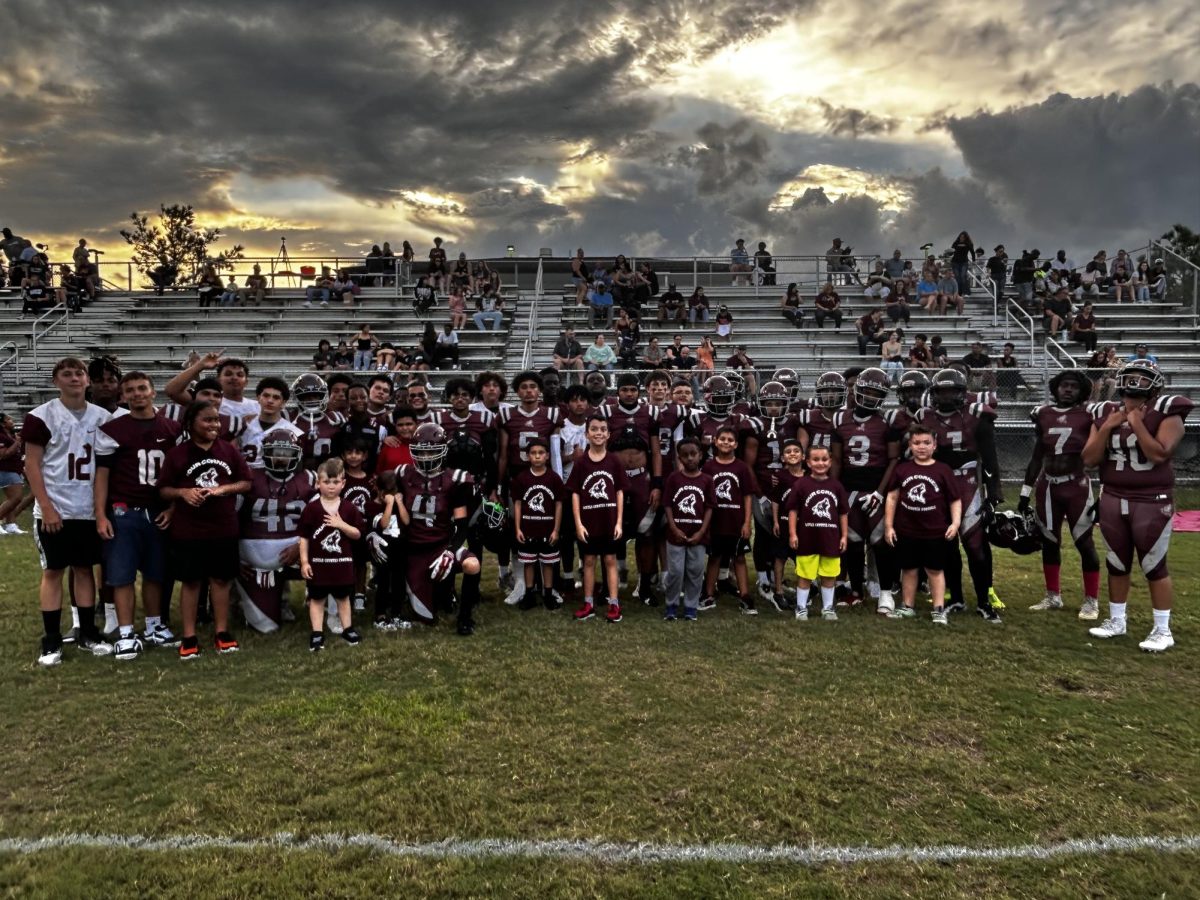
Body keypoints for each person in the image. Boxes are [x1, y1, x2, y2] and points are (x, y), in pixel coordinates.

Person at [1082, 361, 1191, 651]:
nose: (1134, 383)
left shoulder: (1168, 411)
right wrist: (1107, 427)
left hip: (1151, 498)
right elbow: (1090, 459)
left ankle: (1162, 629)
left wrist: (1137, 421)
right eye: (1130, 377)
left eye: (1142, 379)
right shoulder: (1105, 412)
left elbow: (1159, 454)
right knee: (1116, 563)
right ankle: (1117, 620)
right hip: (1113, 495)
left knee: (1154, 565)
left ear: (1155, 385)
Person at [25, 358, 115, 665]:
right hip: (56, 507)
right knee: (52, 571)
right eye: (67, 373)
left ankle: (87, 631)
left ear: (87, 380)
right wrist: (47, 507)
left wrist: (100, 510)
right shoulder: (42, 416)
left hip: (88, 507)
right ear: (56, 381)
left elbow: (103, 467)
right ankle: (50, 639)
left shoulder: (103, 417)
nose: (74, 378)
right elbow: (32, 465)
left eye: (79, 373)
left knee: (84, 568)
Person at [93, 372, 183, 660]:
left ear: (152, 391)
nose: (136, 394)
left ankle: (155, 626)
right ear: (123, 395)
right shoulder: (112, 429)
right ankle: (126, 632)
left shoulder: (172, 428)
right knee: (122, 576)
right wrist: (100, 514)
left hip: (159, 510)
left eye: (141, 388)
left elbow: (180, 474)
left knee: (156, 573)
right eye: (129, 390)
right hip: (125, 510)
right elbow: (102, 475)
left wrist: (173, 508)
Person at [157, 401, 253, 660]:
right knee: (191, 582)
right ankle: (189, 635)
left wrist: (223, 489)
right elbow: (163, 488)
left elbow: (245, 482)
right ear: (190, 423)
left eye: (216, 420)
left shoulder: (228, 451)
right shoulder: (178, 454)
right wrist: (183, 493)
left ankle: (221, 632)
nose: (214, 425)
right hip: (189, 529)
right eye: (207, 420)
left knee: (221, 580)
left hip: (223, 526)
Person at [917, 368, 1004, 621]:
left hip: (967, 485)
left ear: (962, 393)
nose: (945, 397)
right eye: (940, 392)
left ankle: (984, 600)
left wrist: (993, 493)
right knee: (947, 546)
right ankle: (956, 598)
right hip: (938, 486)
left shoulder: (977, 415)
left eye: (951, 391)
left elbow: (990, 457)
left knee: (976, 545)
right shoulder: (925, 416)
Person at [1021, 370, 1101, 619]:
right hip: (1048, 485)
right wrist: (1025, 491)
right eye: (1064, 386)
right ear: (1055, 389)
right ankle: (1052, 595)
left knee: (1084, 542)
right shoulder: (1043, 414)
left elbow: (1103, 454)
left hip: (1076, 484)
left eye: (1073, 387)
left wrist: (1103, 493)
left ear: (1082, 391)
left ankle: (1091, 600)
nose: (1067, 390)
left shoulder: (1090, 415)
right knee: (1049, 540)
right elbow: (1037, 456)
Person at [830, 367, 900, 612]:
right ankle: (856, 590)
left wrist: (880, 493)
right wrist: (835, 490)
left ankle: (885, 593)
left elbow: (893, 459)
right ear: (856, 390)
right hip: (849, 487)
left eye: (875, 393)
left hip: (875, 488)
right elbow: (837, 460)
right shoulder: (840, 419)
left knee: (881, 541)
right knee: (852, 540)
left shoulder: (887, 420)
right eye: (866, 391)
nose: (870, 397)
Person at [883, 425, 961, 625]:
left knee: (934, 570)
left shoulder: (943, 470)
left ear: (934, 445)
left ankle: (938, 608)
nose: (921, 447)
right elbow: (892, 497)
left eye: (926, 443)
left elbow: (954, 499)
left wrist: (955, 522)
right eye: (916, 443)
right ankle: (907, 606)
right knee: (908, 569)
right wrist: (889, 526)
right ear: (910, 445)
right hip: (907, 530)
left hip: (935, 532)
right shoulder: (903, 469)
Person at [566, 416, 629, 623]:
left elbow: (619, 491)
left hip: (609, 521)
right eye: (594, 429)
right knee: (589, 561)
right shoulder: (581, 462)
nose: (598, 432)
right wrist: (578, 523)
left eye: (603, 429)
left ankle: (614, 603)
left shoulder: (613, 461)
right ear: (587, 434)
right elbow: (575, 493)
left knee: (610, 560)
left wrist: (619, 521)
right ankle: (588, 603)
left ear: (608, 434)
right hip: (588, 522)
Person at [298, 458, 364, 652]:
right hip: (319, 564)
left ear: (343, 483)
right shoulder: (311, 509)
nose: (331, 486)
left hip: (342, 564)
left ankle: (347, 629)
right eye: (326, 482)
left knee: (343, 599)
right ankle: (317, 633)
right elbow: (304, 537)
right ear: (318, 483)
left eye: (335, 482)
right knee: (317, 600)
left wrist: (341, 525)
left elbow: (358, 533)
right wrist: (304, 562)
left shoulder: (349, 508)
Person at [787, 444, 848, 621]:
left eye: (824, 459)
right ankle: (801, 607)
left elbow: (843, 513)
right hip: (807, 539)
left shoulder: (836, 486)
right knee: (805, 575)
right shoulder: (801, 484)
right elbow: (793, 510)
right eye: (815, 459)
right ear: (808, 462)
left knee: (829, 575)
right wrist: (793, 533)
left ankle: (828, 608)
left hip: (830, 539)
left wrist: (843, 535)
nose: (820, 463)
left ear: (830, 462)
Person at [701, 426, 758, 614]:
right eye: (722, 439)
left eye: (730, 440)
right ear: (715, 441)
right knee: (714, 557)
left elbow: (747, 495)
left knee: (739, 558)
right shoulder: (709, 466)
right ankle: (709, 594)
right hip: (716, 522)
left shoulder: (741, 467)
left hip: (736, 522)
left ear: (736, 444)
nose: (726, 442)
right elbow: (706, 495)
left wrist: (746, 522)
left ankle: (745, 596)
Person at [662, 437, 714, 621]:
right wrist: (674, 528)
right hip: (676, 535)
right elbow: (667, 504)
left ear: (700, 455)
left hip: (698, 536)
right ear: (680, 458)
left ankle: (691, 607)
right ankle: (671, 605)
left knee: (695, 571)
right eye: (685, 455)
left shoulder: (707, 480)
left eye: (693, 454)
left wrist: (701, 532)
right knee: (676, 572)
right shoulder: (674, 478)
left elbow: (709, 507)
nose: (690, 458)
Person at [511, 438, 565, 611]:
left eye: (541, 453)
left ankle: (547, 593)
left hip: (548, 529)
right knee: (529, 562)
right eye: (533, 453)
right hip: (528, 528)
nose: (537, 456)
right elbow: (518, 504)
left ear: (547, 456)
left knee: (548, 562)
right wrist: (518, 528)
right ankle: (529, 594)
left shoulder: (554, 478)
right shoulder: (522, 478)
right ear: (528, 456)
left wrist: (556, 529)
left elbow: (558, 504)